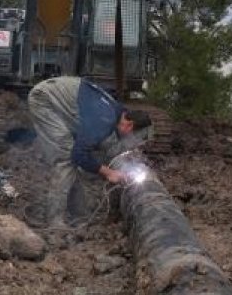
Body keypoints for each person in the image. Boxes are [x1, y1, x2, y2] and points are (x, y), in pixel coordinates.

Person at [27, 76, 153, 229]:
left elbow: (99, 147)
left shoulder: (117, 112)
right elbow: (78, 155)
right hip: (44, 99)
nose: (129, 142)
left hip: (60, 98)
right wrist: (108, 172)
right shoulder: (104, 119)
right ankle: (55, 220)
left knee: (75, 155)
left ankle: (79, 214)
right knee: (66, 157)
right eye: (132, 137)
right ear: (129, 125)